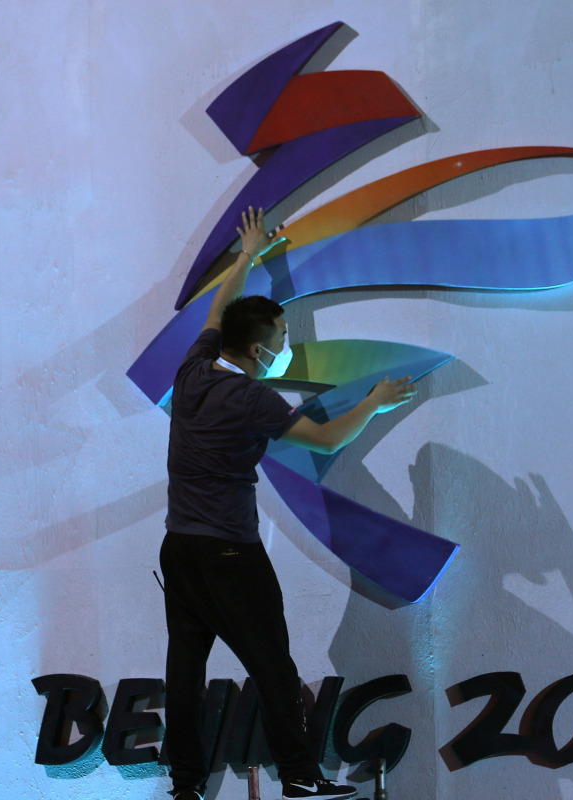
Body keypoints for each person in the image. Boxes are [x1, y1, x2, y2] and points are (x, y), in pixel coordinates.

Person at [159, 206, 416, 800]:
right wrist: (373, 400)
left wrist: (247, 254)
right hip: (230, 555)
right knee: (274, 668)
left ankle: (186, 786)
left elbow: (219, 312)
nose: (284, 348)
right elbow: (328, 439)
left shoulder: (194, 368)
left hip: (181, 551)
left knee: (184, 673)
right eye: (278, 340)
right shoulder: (250, 399)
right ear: (254, 350)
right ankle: (300, 777)